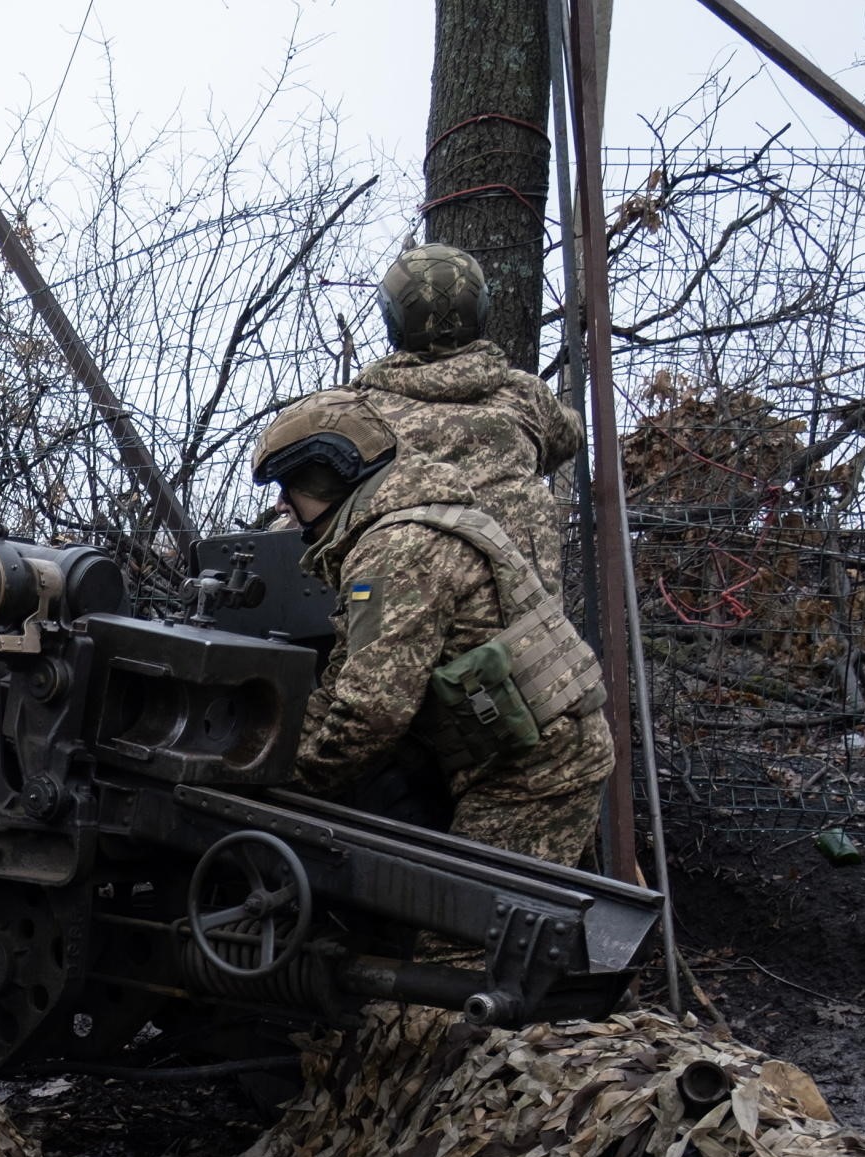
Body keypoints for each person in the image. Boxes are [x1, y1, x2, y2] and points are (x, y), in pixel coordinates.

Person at [253, 388, 612, 868]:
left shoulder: (395, 551)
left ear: (325, 478)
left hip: (533, 770)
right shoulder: (408, 526)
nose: (283, 505)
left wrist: (273, 777)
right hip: (536, 750)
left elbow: (370, 714)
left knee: (466, 940)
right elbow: (347, 681)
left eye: (288, 487)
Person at [347, 243, 584, 598]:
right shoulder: (526, 396)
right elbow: (570, 435)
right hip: (526, 630)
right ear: (481, 310)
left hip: (402, 621)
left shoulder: (359, 411)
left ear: (392, 319)